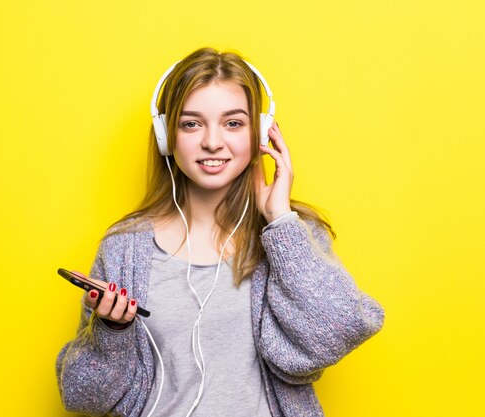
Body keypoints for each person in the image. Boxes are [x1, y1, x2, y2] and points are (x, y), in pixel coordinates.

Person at [55, 47, 385, 417]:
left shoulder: (291, 236)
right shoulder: (124, 249)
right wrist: (110, 334)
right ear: (166, 136)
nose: (212, 142)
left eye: (233, 123)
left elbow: (337, 331)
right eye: (191, 123)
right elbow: (82, 399)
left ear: (259, 132)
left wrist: (278, 219)